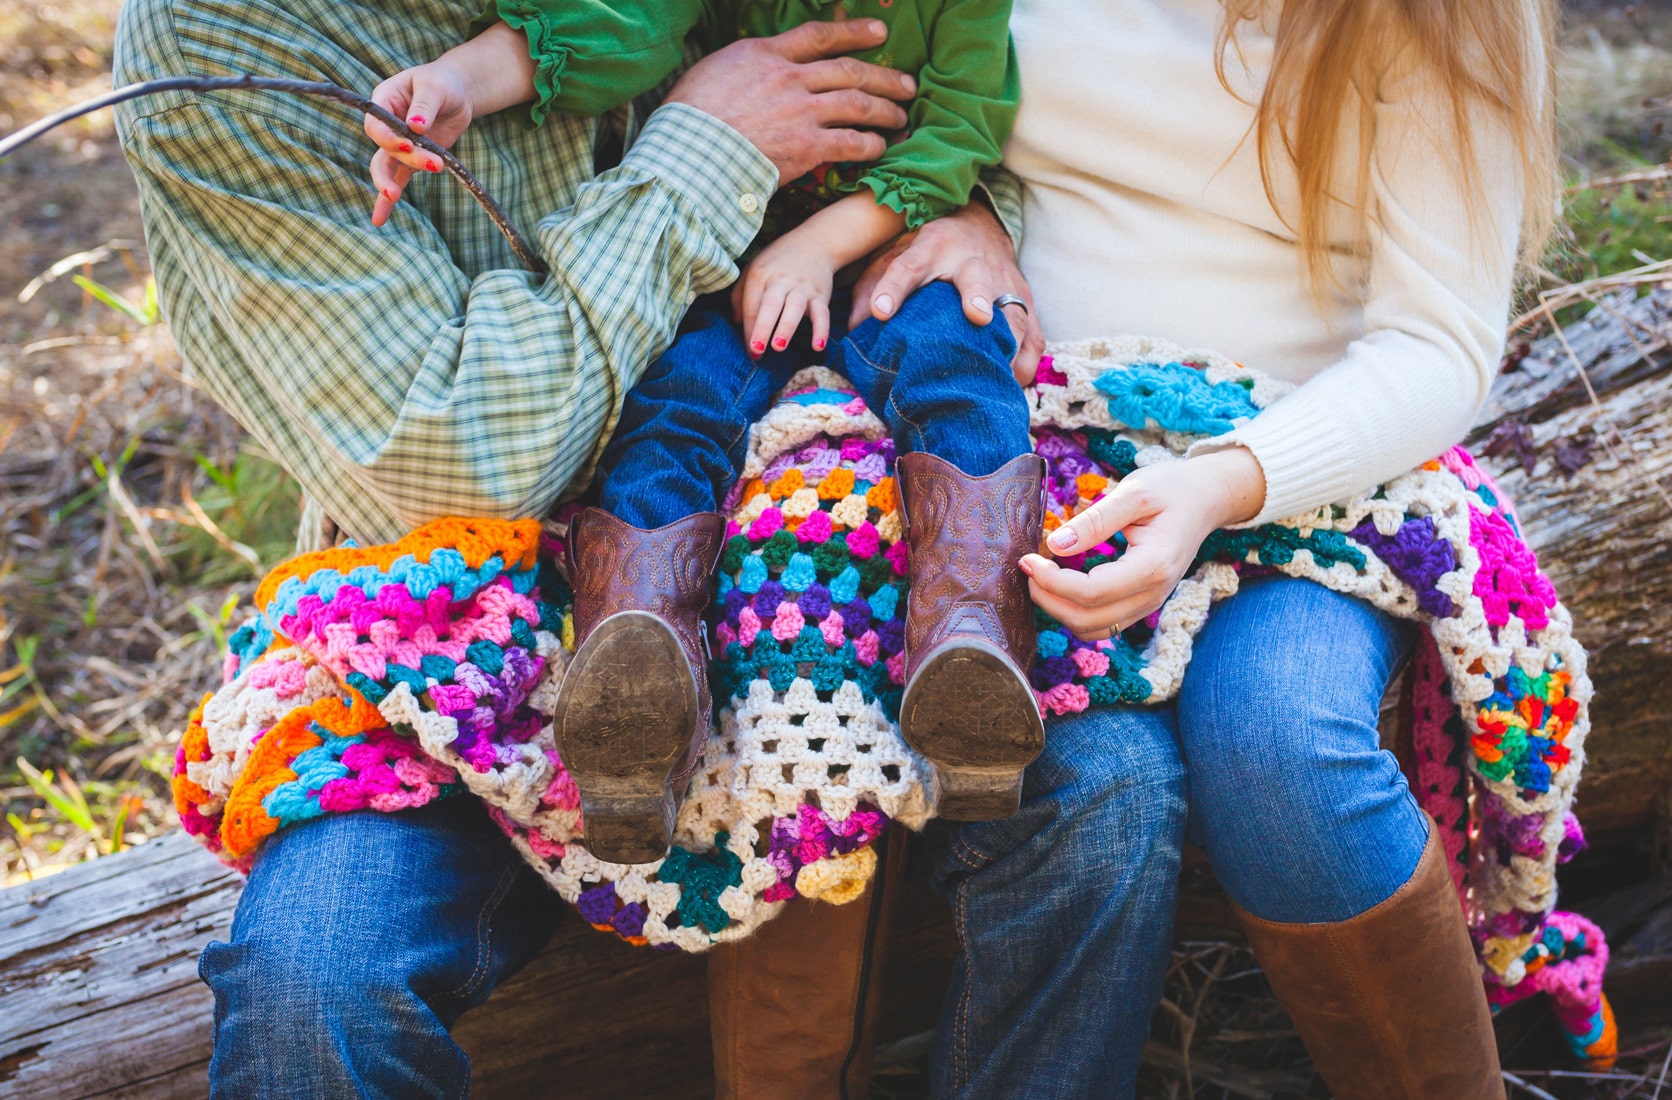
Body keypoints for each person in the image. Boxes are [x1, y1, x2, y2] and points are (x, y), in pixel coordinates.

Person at [112, 0, 1038, 1092]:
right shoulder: (229, 37)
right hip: (444, 628)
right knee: (312, 985)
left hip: (791, 548)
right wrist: (708, 147)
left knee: (1075, 798)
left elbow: (952, 92)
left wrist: (961, 208)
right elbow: (458, 466)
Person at [858, 0, 1560, 1095]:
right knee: (1093, 779)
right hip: (1031, 444)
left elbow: (1437, 341)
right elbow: (924, 90)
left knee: (1277, 737)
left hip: (1309, 475)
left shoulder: (1437, 18)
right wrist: (971, 208)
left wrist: (1217, 484)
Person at [350, 0, 1044, 865]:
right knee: (676, 402)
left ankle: (973, 641)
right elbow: (619, 25)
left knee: (957, 370)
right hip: (736, 251)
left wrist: (822, 246)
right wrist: (458, 84)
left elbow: (958, 131)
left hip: (888, 247)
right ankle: (635, 674)